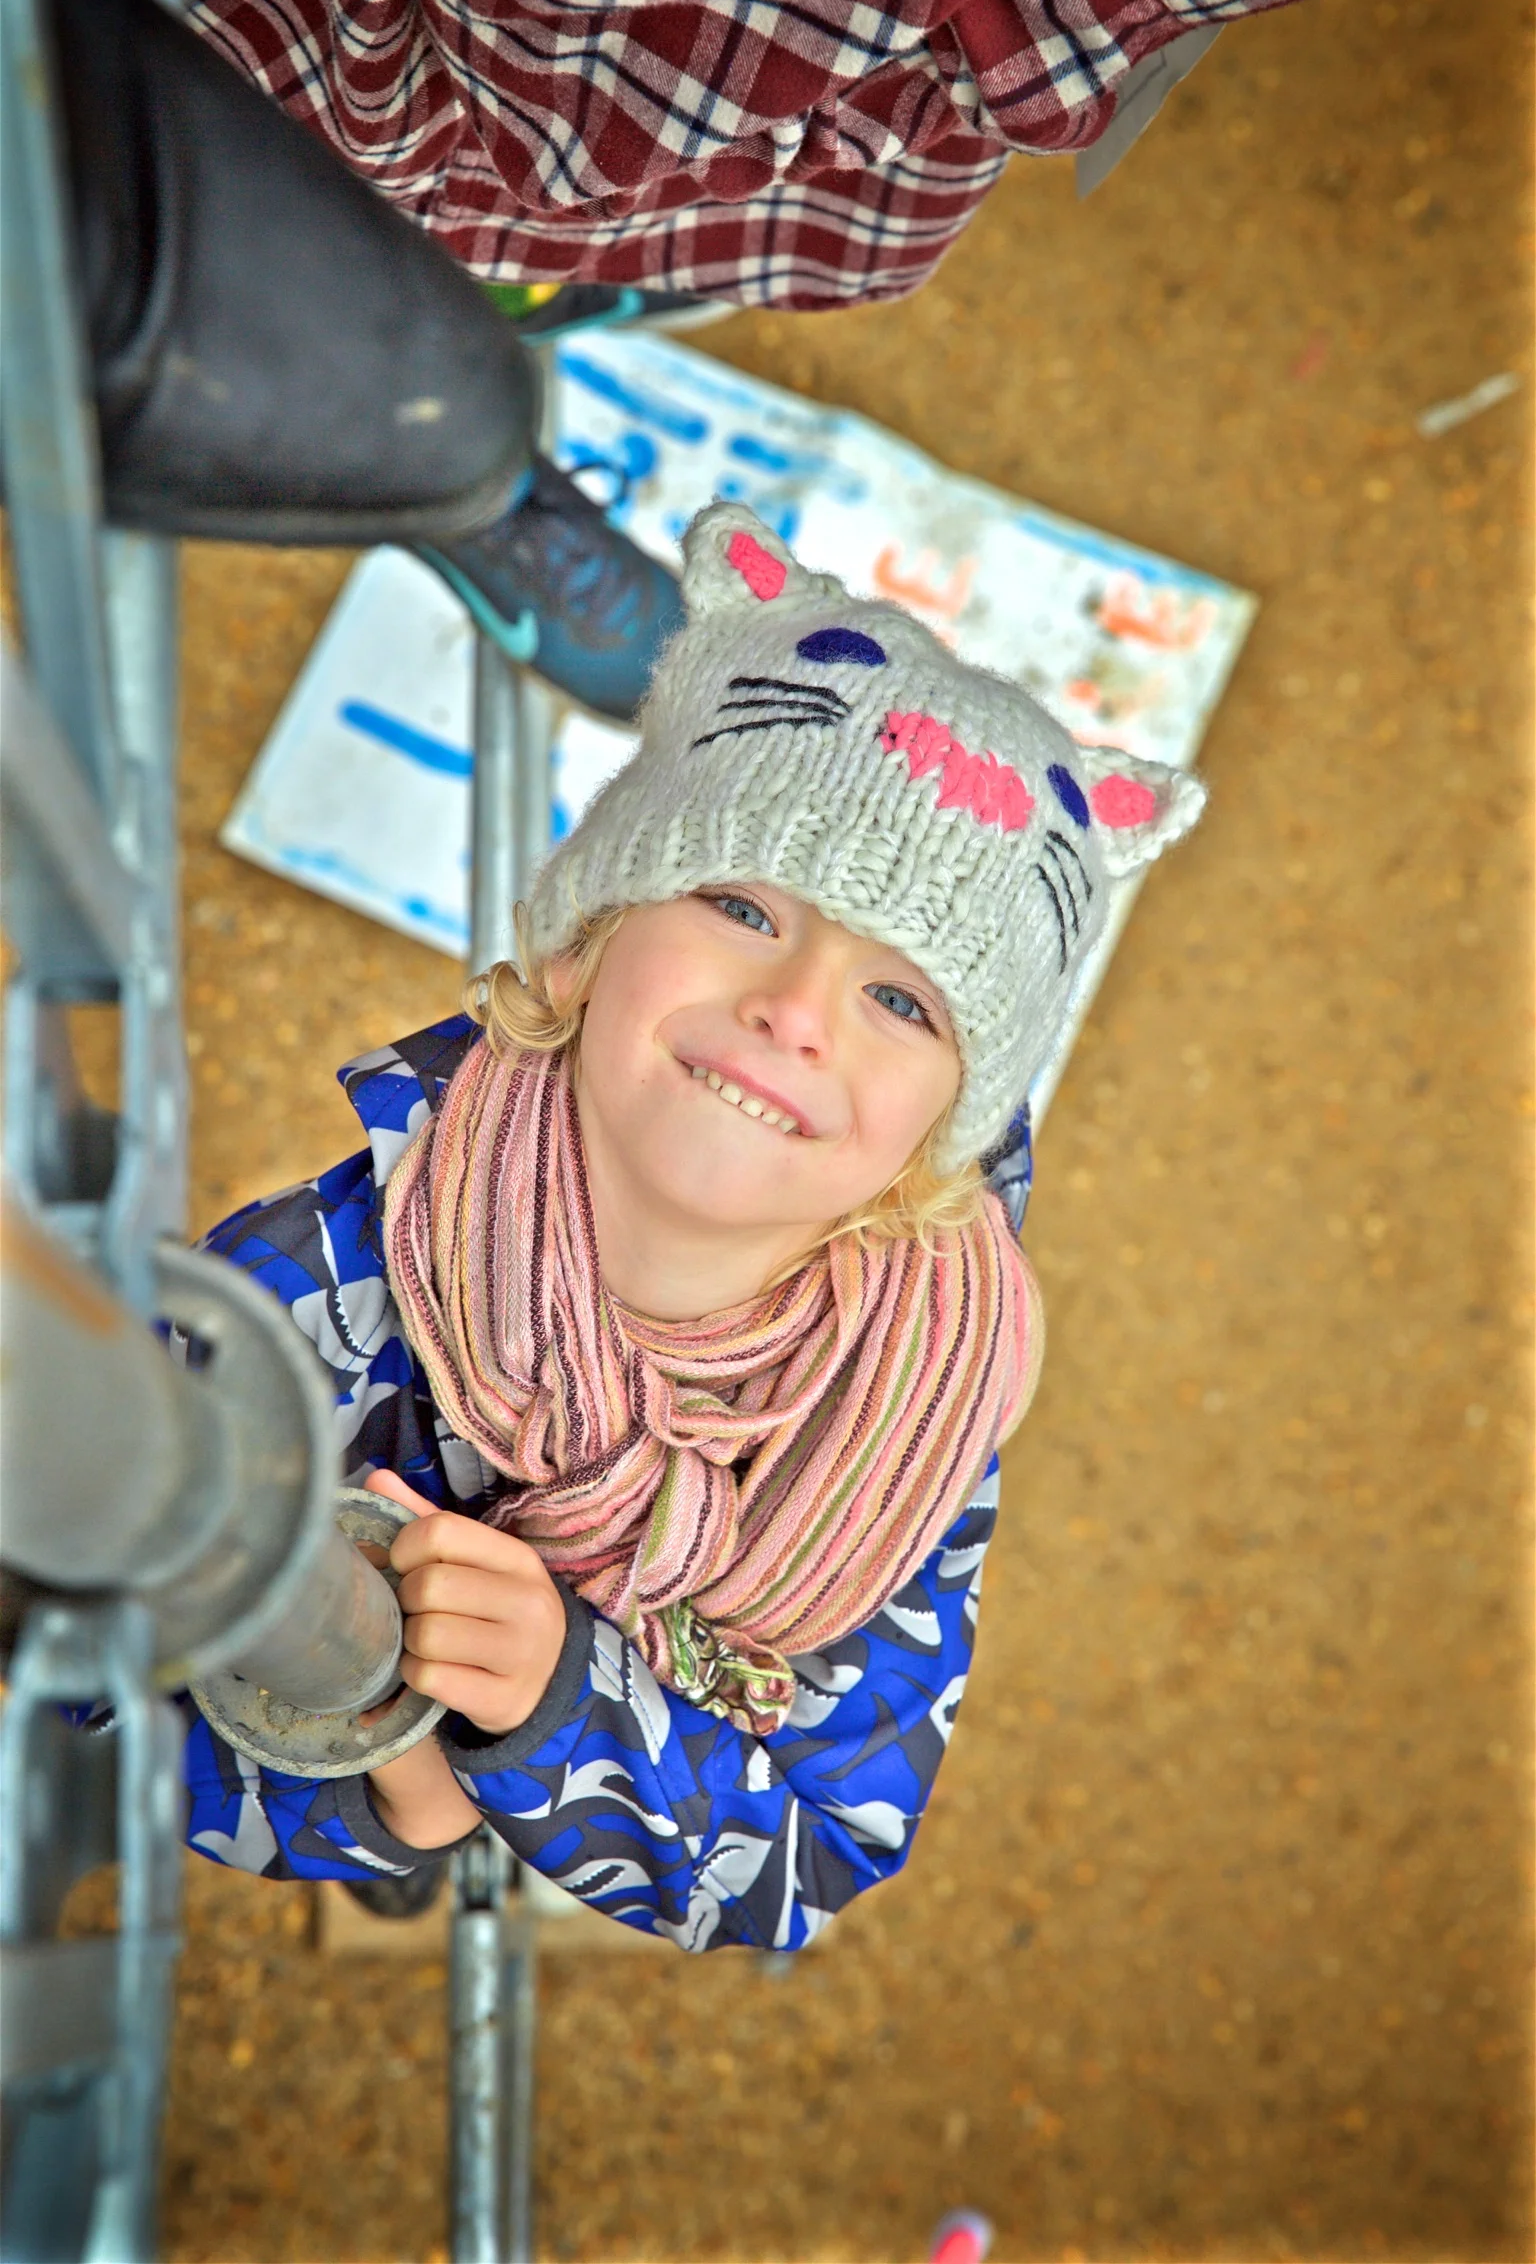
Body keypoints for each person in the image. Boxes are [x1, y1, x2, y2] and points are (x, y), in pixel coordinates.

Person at [185, 502, 1204, 1951]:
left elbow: (820, 1846)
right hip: (371, 1759)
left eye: (902, 1002)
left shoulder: (907, 1399)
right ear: (585, 941)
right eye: (740, 901)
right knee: (386, 1805)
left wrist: (555, 1711)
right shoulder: (308, 1294)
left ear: (938, 1143)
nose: (795, 1009)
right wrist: (382, 1780)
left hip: (606, 1760)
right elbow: (82, 1638)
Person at [184, 0, 1389, 713]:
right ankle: (438, 443)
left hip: (845, 34)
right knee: (289, 196)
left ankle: (522, 291)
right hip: (479, 27)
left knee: (641, 189)